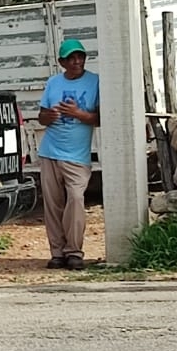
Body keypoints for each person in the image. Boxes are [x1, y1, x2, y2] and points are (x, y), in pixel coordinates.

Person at [36, 39, 100, 271]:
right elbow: (41, 116)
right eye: (71, 58)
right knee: (53, 205)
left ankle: (74, 251)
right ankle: (57, 253)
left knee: (76, 199)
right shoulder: (53, 83)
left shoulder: (95, 82)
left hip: (76, 156)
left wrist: (78, 113)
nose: (77, 62)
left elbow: (101, 118)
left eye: (80, 57)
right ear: (62, 62)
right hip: (50, 152)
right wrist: (49, 116)